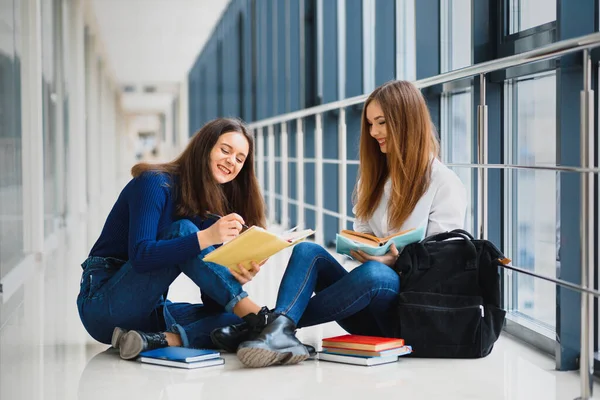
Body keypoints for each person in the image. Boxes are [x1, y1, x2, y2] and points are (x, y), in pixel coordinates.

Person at [216, 80, 467, 368]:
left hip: (405, 313)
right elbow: (362, 234)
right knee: (308, 252)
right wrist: (364, 247)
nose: (373, 133)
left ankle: (262, 327)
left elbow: (441, 269)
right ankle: (279, 328)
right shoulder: (373, 181)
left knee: (375, 273)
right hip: (360, 305)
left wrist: (393, 262)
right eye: (370, 124)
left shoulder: (444, 183)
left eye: (381, 123)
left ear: (407, 121)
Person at [77, 118, 291, 360]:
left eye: (240, 159)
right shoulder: (153, 182)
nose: (232, 161)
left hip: (148, 314)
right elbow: (141, 256)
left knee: (234, 322)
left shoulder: (207, 214)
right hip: (104, 306)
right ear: (204, 148)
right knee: (183, 230)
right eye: (225, 150)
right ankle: (258, 315)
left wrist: (234, 275)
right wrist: (207, 237)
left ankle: (153, 340)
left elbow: (211, 303)